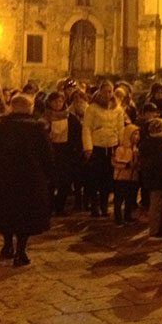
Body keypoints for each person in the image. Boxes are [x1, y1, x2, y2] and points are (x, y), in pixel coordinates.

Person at [0, 95, 53, 267]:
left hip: (4, 177)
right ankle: (20, 251)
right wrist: (48, 173)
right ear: (29, 107)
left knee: (7, 212)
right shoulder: (37, 128)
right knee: (25, 215)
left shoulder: (2, 126)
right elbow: (47, 154)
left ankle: (7, 246)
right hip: (29, 178)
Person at [82, 81, 125, 217]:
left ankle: (104, 205)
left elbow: (120, 127)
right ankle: (95, 205)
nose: (108, 94)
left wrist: (122, 145)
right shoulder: (92, 108)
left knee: (107, 177)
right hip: (97, 146)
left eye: (110, 91)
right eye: (105, 91)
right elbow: (87, 128)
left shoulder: (117, 109)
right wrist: (88, 147)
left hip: (111, 145)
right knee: (95, 178)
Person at [43, 91, 83, 216]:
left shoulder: (70, 118)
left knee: (65, 182)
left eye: (60, 101)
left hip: (66, 153)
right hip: (51, 153)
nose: (58, 104)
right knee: (50, 182)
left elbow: (77, 135)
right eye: (55, 101)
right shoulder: (44, 118)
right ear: (49, 103)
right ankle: (48, 207)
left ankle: (60, 207)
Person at [140, 117, 162, 238]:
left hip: (152, 179)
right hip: (161, 178)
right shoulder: (161, 144)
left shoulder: (146, 144)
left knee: (158, 204)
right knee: (160, 205)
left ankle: (160, 227)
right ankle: (156, 230)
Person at [112, 124, 140, 225]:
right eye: (135, 134)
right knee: (119, 199)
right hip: (121, 178)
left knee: (129, 198)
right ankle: (118, 217)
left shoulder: (136, 150)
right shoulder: (121, 149)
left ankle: (128, 216)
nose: (137, 137)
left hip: (132, 178)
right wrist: (127, 164)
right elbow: (115, 162)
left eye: (138, 134)